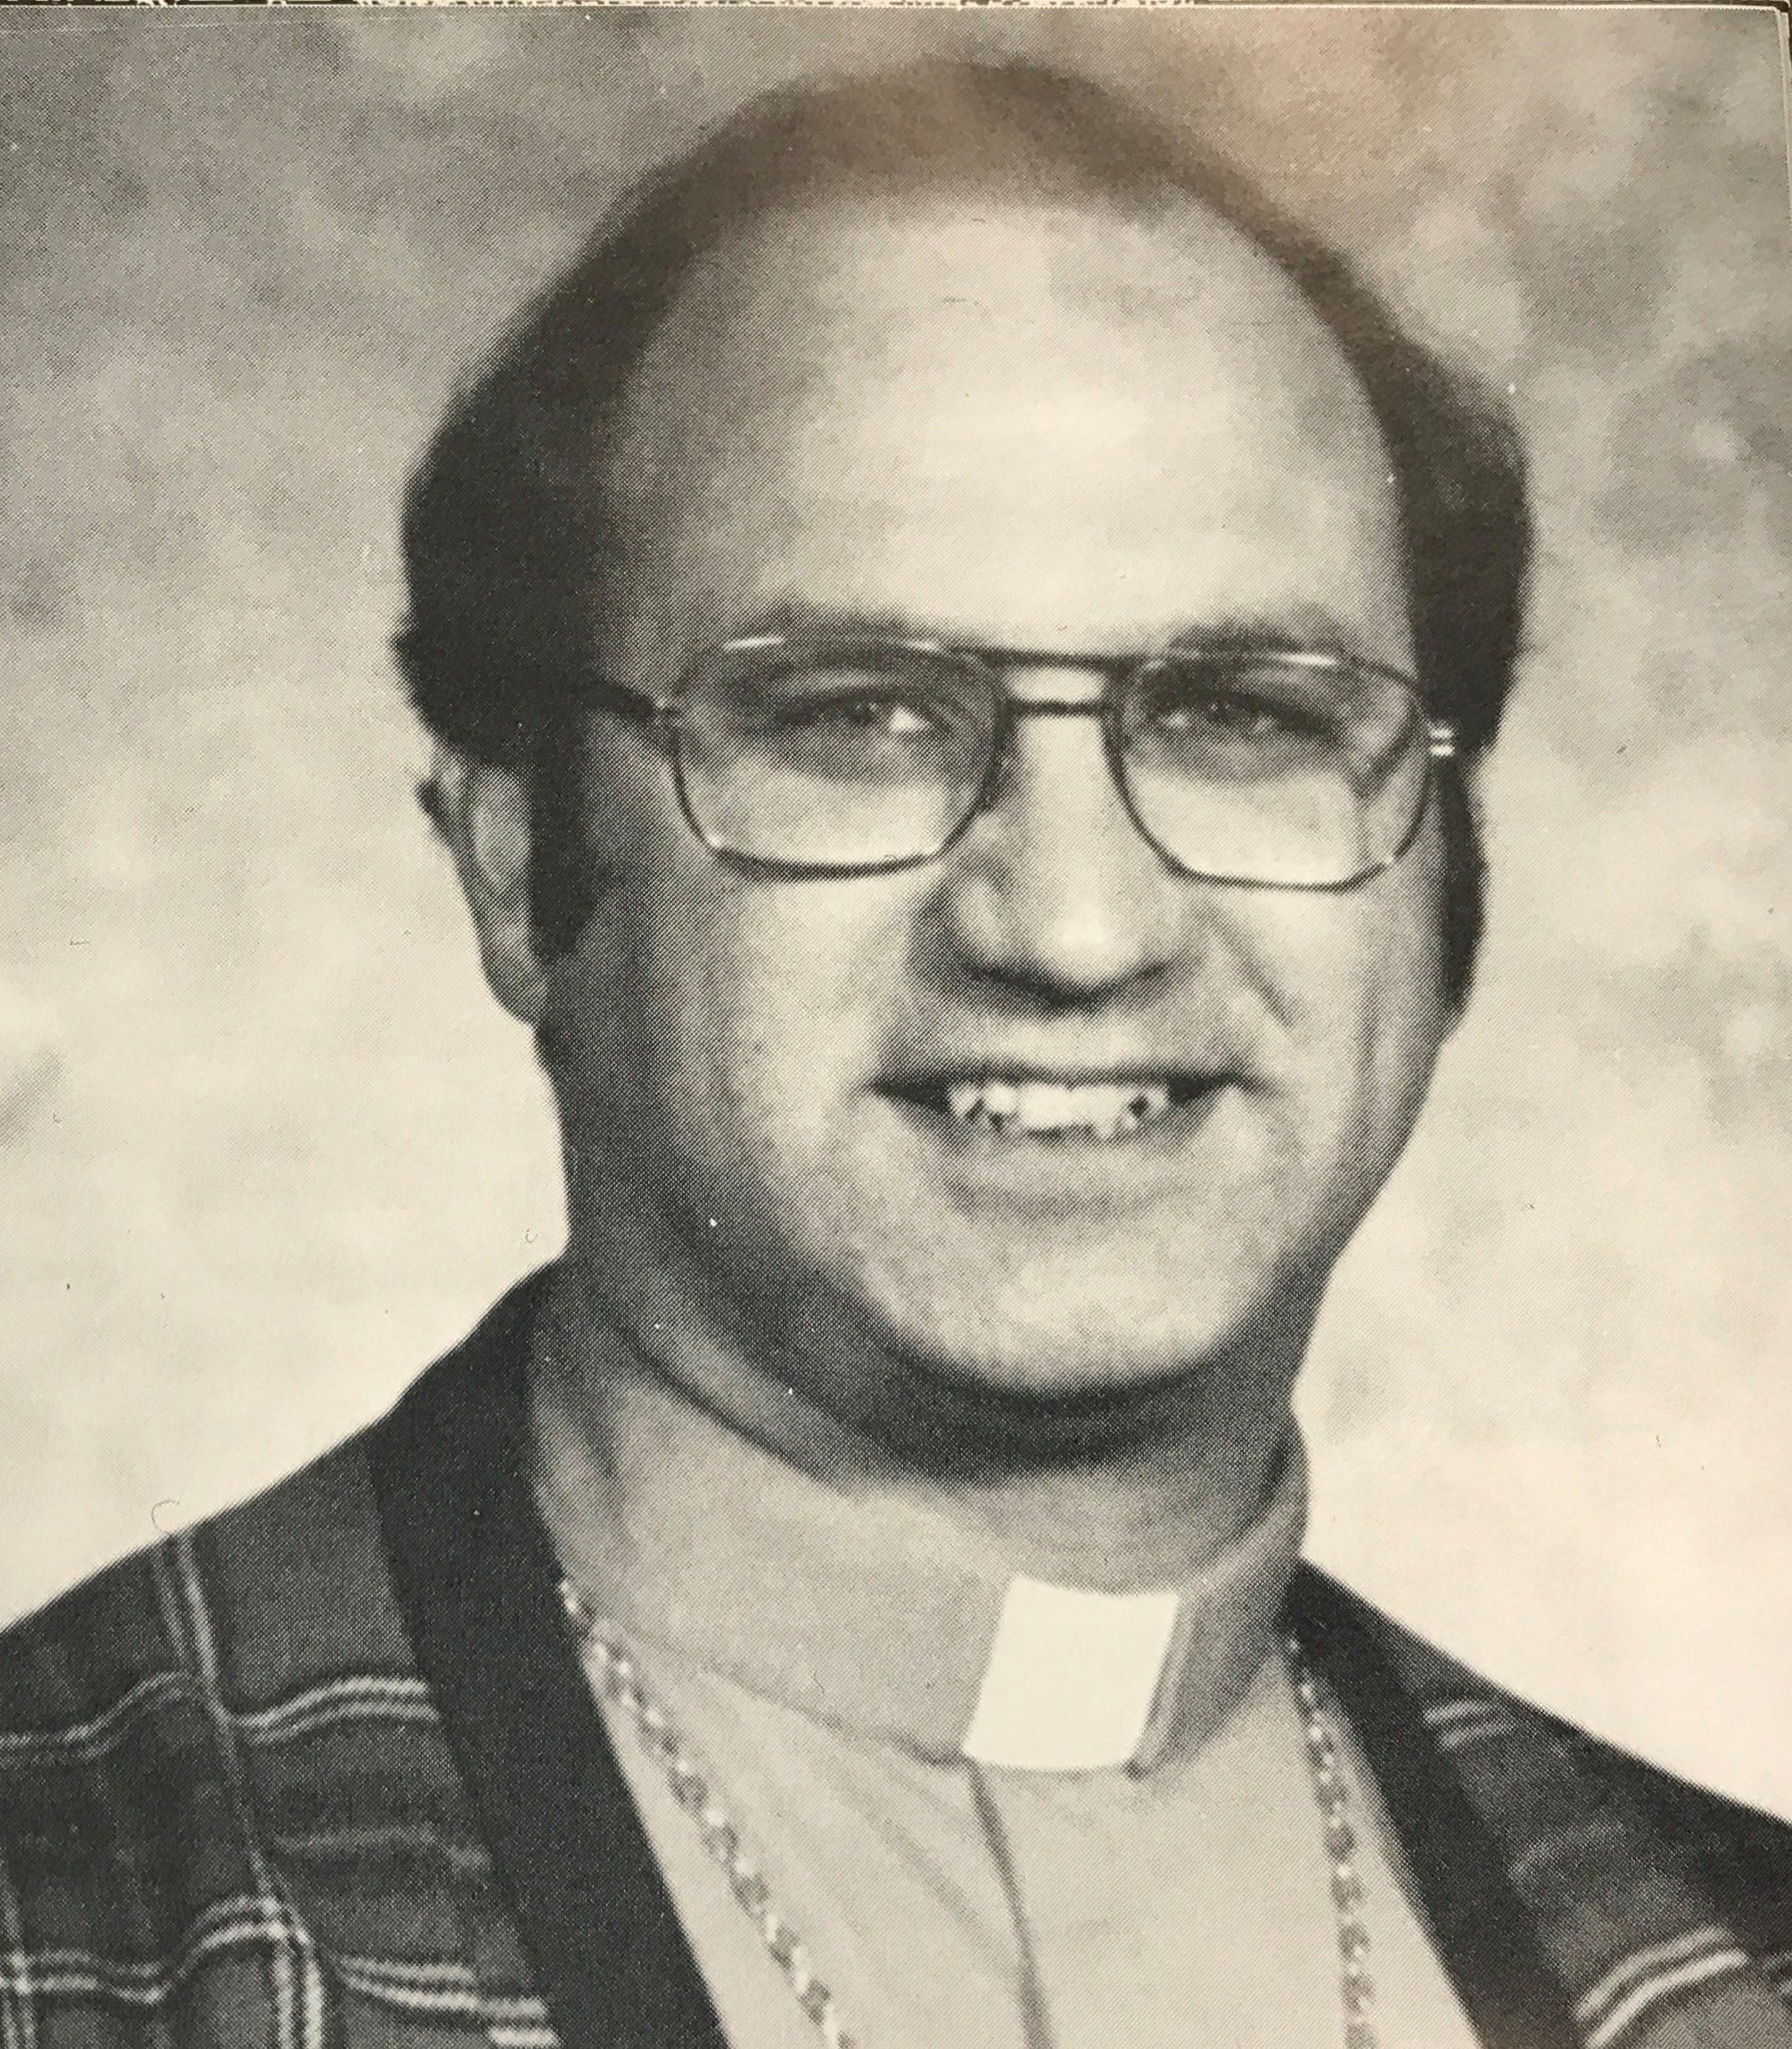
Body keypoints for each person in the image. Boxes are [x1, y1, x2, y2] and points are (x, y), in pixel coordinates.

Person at [1, 57, 1787, 2049]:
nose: (1075, 927)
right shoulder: (67, 1922)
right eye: (854, 714)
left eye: (1248, 714)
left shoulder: (1741, 1950)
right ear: (518, 869)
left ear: (1442, 866)